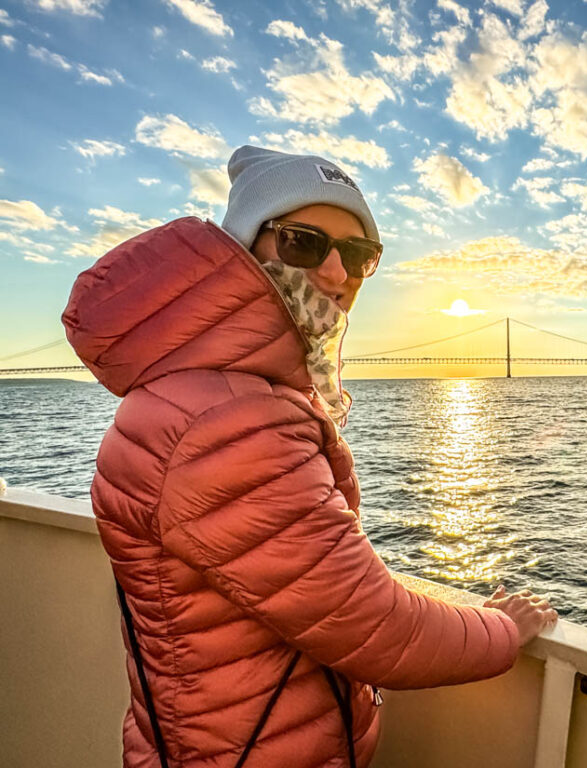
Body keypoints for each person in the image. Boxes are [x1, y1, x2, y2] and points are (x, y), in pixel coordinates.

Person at [61, 145, 557, 768]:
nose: (333, 271)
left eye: (357, 255)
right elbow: (375, 628)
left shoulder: (214, 389)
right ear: (244, 246)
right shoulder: (226, 419)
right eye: (302, 242)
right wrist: (503, 629)